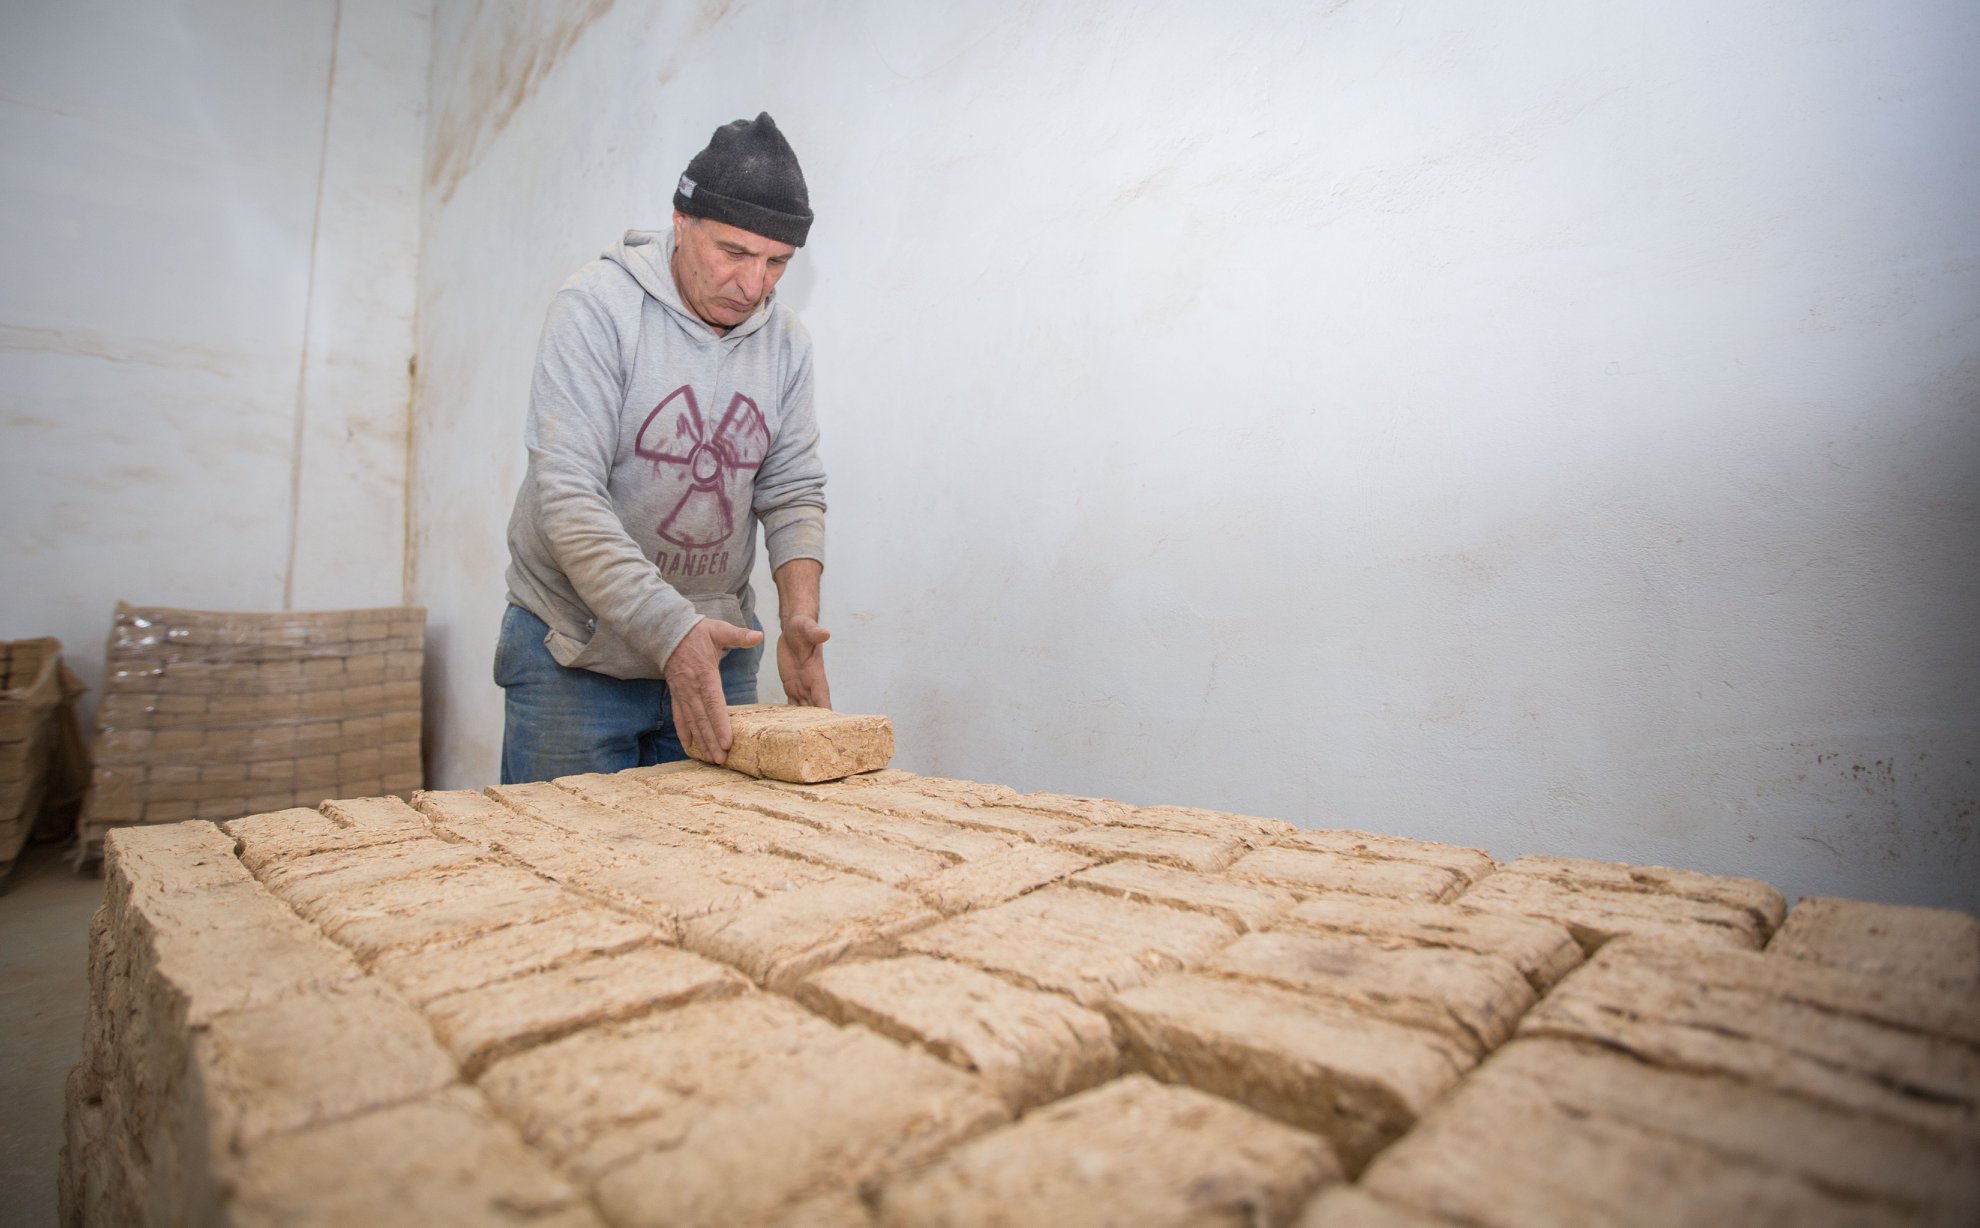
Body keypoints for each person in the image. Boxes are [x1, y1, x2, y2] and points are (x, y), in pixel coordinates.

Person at [496, 112, 831, 784]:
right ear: (681, 224)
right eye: (734, 253)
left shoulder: (786, 343)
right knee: (563, 845)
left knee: (711, 847)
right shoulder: (596, 309)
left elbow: (792, 489)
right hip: (578, 652)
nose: (753, 285)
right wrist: (670, 630)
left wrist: (799, 616)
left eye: (777, 263)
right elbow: (569, 498)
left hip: (718, 653)